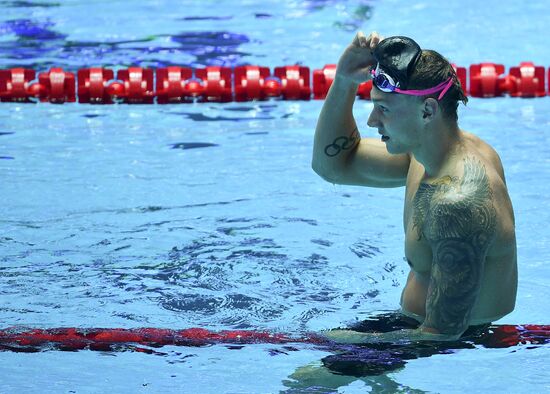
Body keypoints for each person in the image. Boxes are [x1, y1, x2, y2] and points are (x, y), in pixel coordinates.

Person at [311, 32, 518, 343]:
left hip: (460, 346)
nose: (371, 121)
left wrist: (349, 342)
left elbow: (442, 335)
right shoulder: (424, 155)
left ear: (427, 111)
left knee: (304, 380)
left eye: (384, 109)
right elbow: (332, 166)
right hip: (416, 328)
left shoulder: (458, 201)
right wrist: (344, 82)